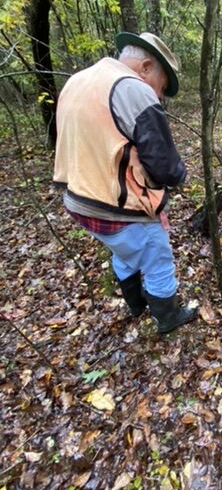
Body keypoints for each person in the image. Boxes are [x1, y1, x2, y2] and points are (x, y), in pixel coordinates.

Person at [54, 32, 197, 333]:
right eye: (161, 87)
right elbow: (164, 163)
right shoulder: (132, 88)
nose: (158, 96)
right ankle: (167, 318)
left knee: (125, 252)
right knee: (157, 257)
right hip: (117, 208)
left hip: (79, 201)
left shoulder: (79, 80)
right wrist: (180, 178)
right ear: (146, 67)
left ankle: (135, 305)